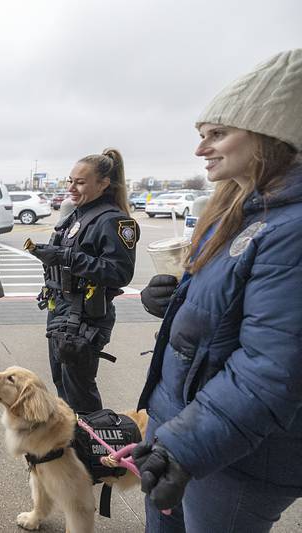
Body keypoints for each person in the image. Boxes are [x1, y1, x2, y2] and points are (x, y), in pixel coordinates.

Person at [133, 49, 302, 532]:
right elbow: (230, 316)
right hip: (190, 434)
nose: (201, 149)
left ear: (272, 133)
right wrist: (175, 302)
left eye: (217, 134)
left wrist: (183, 448)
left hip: (235, 455)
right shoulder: (241, 209)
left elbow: (272, 368)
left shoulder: (290, 227)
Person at [28, 148, 138, 413]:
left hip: (84, 316)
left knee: (79, 393)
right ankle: (73, 443)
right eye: (70, 181)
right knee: (63, 385)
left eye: (80, 182)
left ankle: (93, 449)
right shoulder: (77, 214)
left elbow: (120, 272)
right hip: (61, 309)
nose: (71, 188)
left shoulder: (115, 221)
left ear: (103, 184)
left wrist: (66, 257)